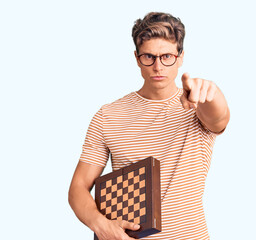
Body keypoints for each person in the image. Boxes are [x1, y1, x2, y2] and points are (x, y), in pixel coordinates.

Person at [68, 12, 230, 240]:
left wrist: (210, 93)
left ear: (180, 57)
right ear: (136, 58)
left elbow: (219, 117)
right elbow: (78, 187)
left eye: (167, 56)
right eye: (148, 57)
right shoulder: (107, 115)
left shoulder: (197, 106)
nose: (157, 66)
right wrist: (100, 225)